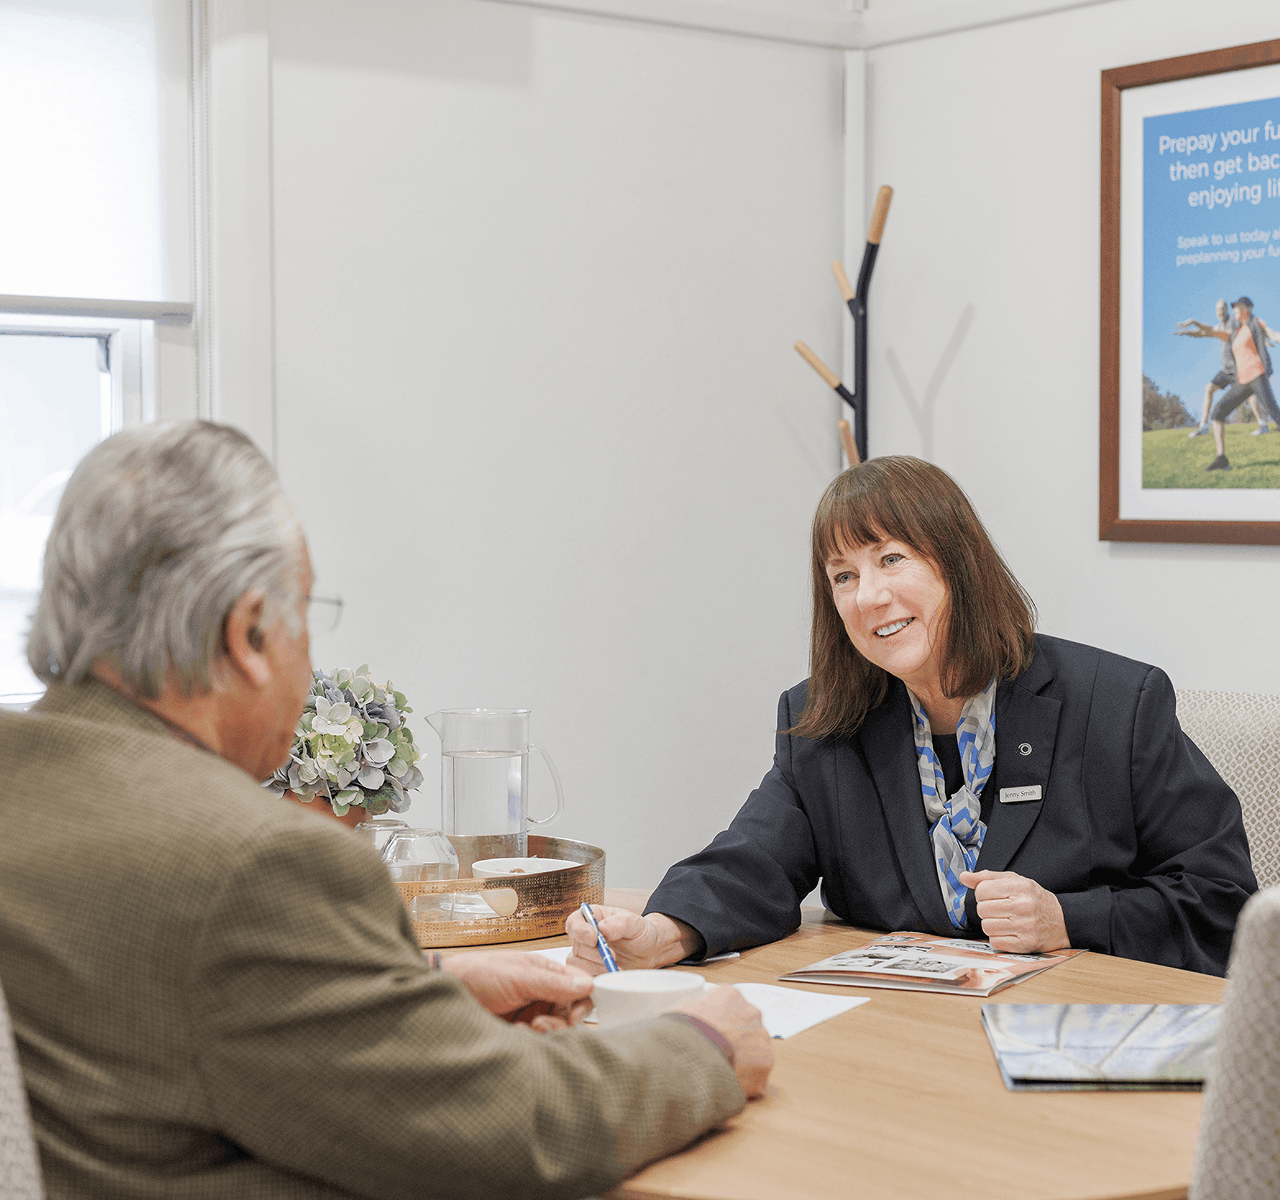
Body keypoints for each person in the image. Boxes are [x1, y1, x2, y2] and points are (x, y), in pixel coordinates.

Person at [0, 421, 773, 1200]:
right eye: (305, 614)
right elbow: (506, 1129)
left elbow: (172, 1000)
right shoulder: (253, 862)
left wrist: (418, 985)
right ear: (250, 634)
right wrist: (700, 1047)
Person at [567, 457, 1255, 980]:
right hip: (902, 1048)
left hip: (1077, 1034)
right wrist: (665, 931)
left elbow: (1226, 907)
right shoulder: (824, 719)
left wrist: (1064, 918)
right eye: (843, 576)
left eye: (892, 559)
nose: (869, 597)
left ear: (959, 566)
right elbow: (753, 863)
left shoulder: (1115, 704)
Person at [1181, 297, 1280, 470]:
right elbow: (1209, 331)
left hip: (1257, 376)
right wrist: (1191, 327)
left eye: (1237, 308)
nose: (1234, 310)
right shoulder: (1234, 333)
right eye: (1233, 308)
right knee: (1217, 414)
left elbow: (1273, 334)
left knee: (1276, 415)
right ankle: (1222, 460)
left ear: (1246, 310)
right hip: (1242, 382)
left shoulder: (1255, 323)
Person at [1174, 300, 1269, 437]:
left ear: (1227, 310)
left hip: (1238, 368)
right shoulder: (1219, 326)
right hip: (1225, 370)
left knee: (1250, 395)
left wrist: (1262, 340)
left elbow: (1247, 330)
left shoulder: (1233, 322)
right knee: (1209, 389)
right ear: (1215, 311)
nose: (1221, 312)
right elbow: (1204, 333)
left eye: (1223, 309)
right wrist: (1186, 333)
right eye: (1218, 310)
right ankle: (1203, 426)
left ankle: (1262, 424)